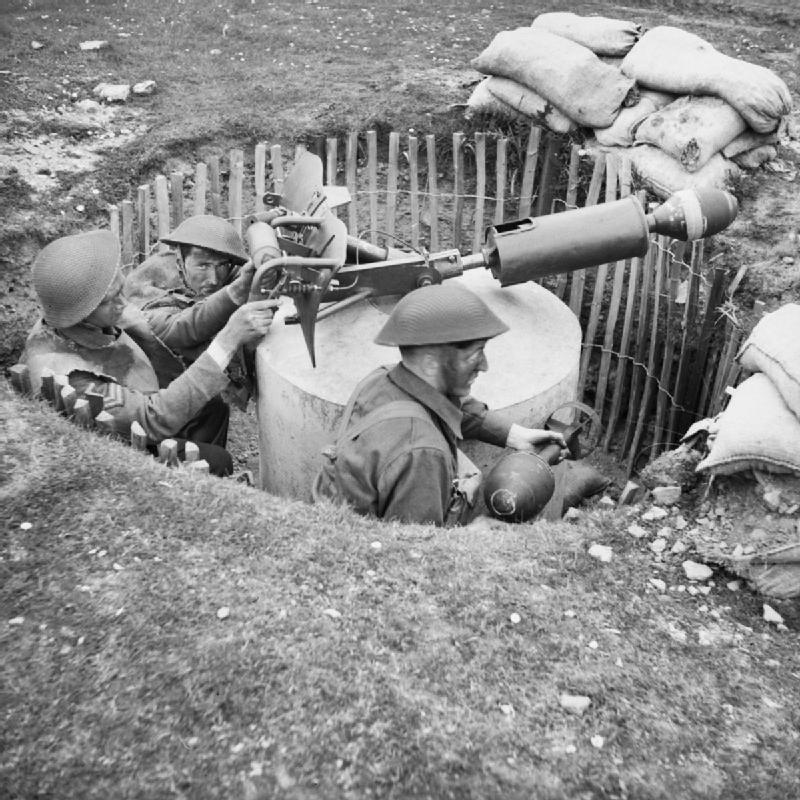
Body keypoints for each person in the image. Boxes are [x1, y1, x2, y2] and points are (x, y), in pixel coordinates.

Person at [21, 229, 277, 476]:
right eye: (111, 299)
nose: (124, 303)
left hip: (139, 403)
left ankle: (198, 471)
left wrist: (239, 288)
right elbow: (152, 420)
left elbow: (184, 327)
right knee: (219, 461)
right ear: (79, 313)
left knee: (213, 407)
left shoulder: (88, 315)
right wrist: (229, 339)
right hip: (119, 445)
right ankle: (193, 485)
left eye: (121, 289)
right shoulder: (73, 379)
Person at [313, 281, 567, 525]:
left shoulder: (381, 380)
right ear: (430, 363)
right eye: (475, 354)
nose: (485, 365)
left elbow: (447, 406)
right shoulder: (422, 451)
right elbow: (418, 556)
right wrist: (477, 532)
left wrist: (514, 436)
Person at [123, 214, 254, 364]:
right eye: (203, 266)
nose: (214, 279)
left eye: (221, 266)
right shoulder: (147, 286)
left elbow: (240, 272)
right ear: (180, 262)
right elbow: (177, 329)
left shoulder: (216, 269)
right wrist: (234, 293)